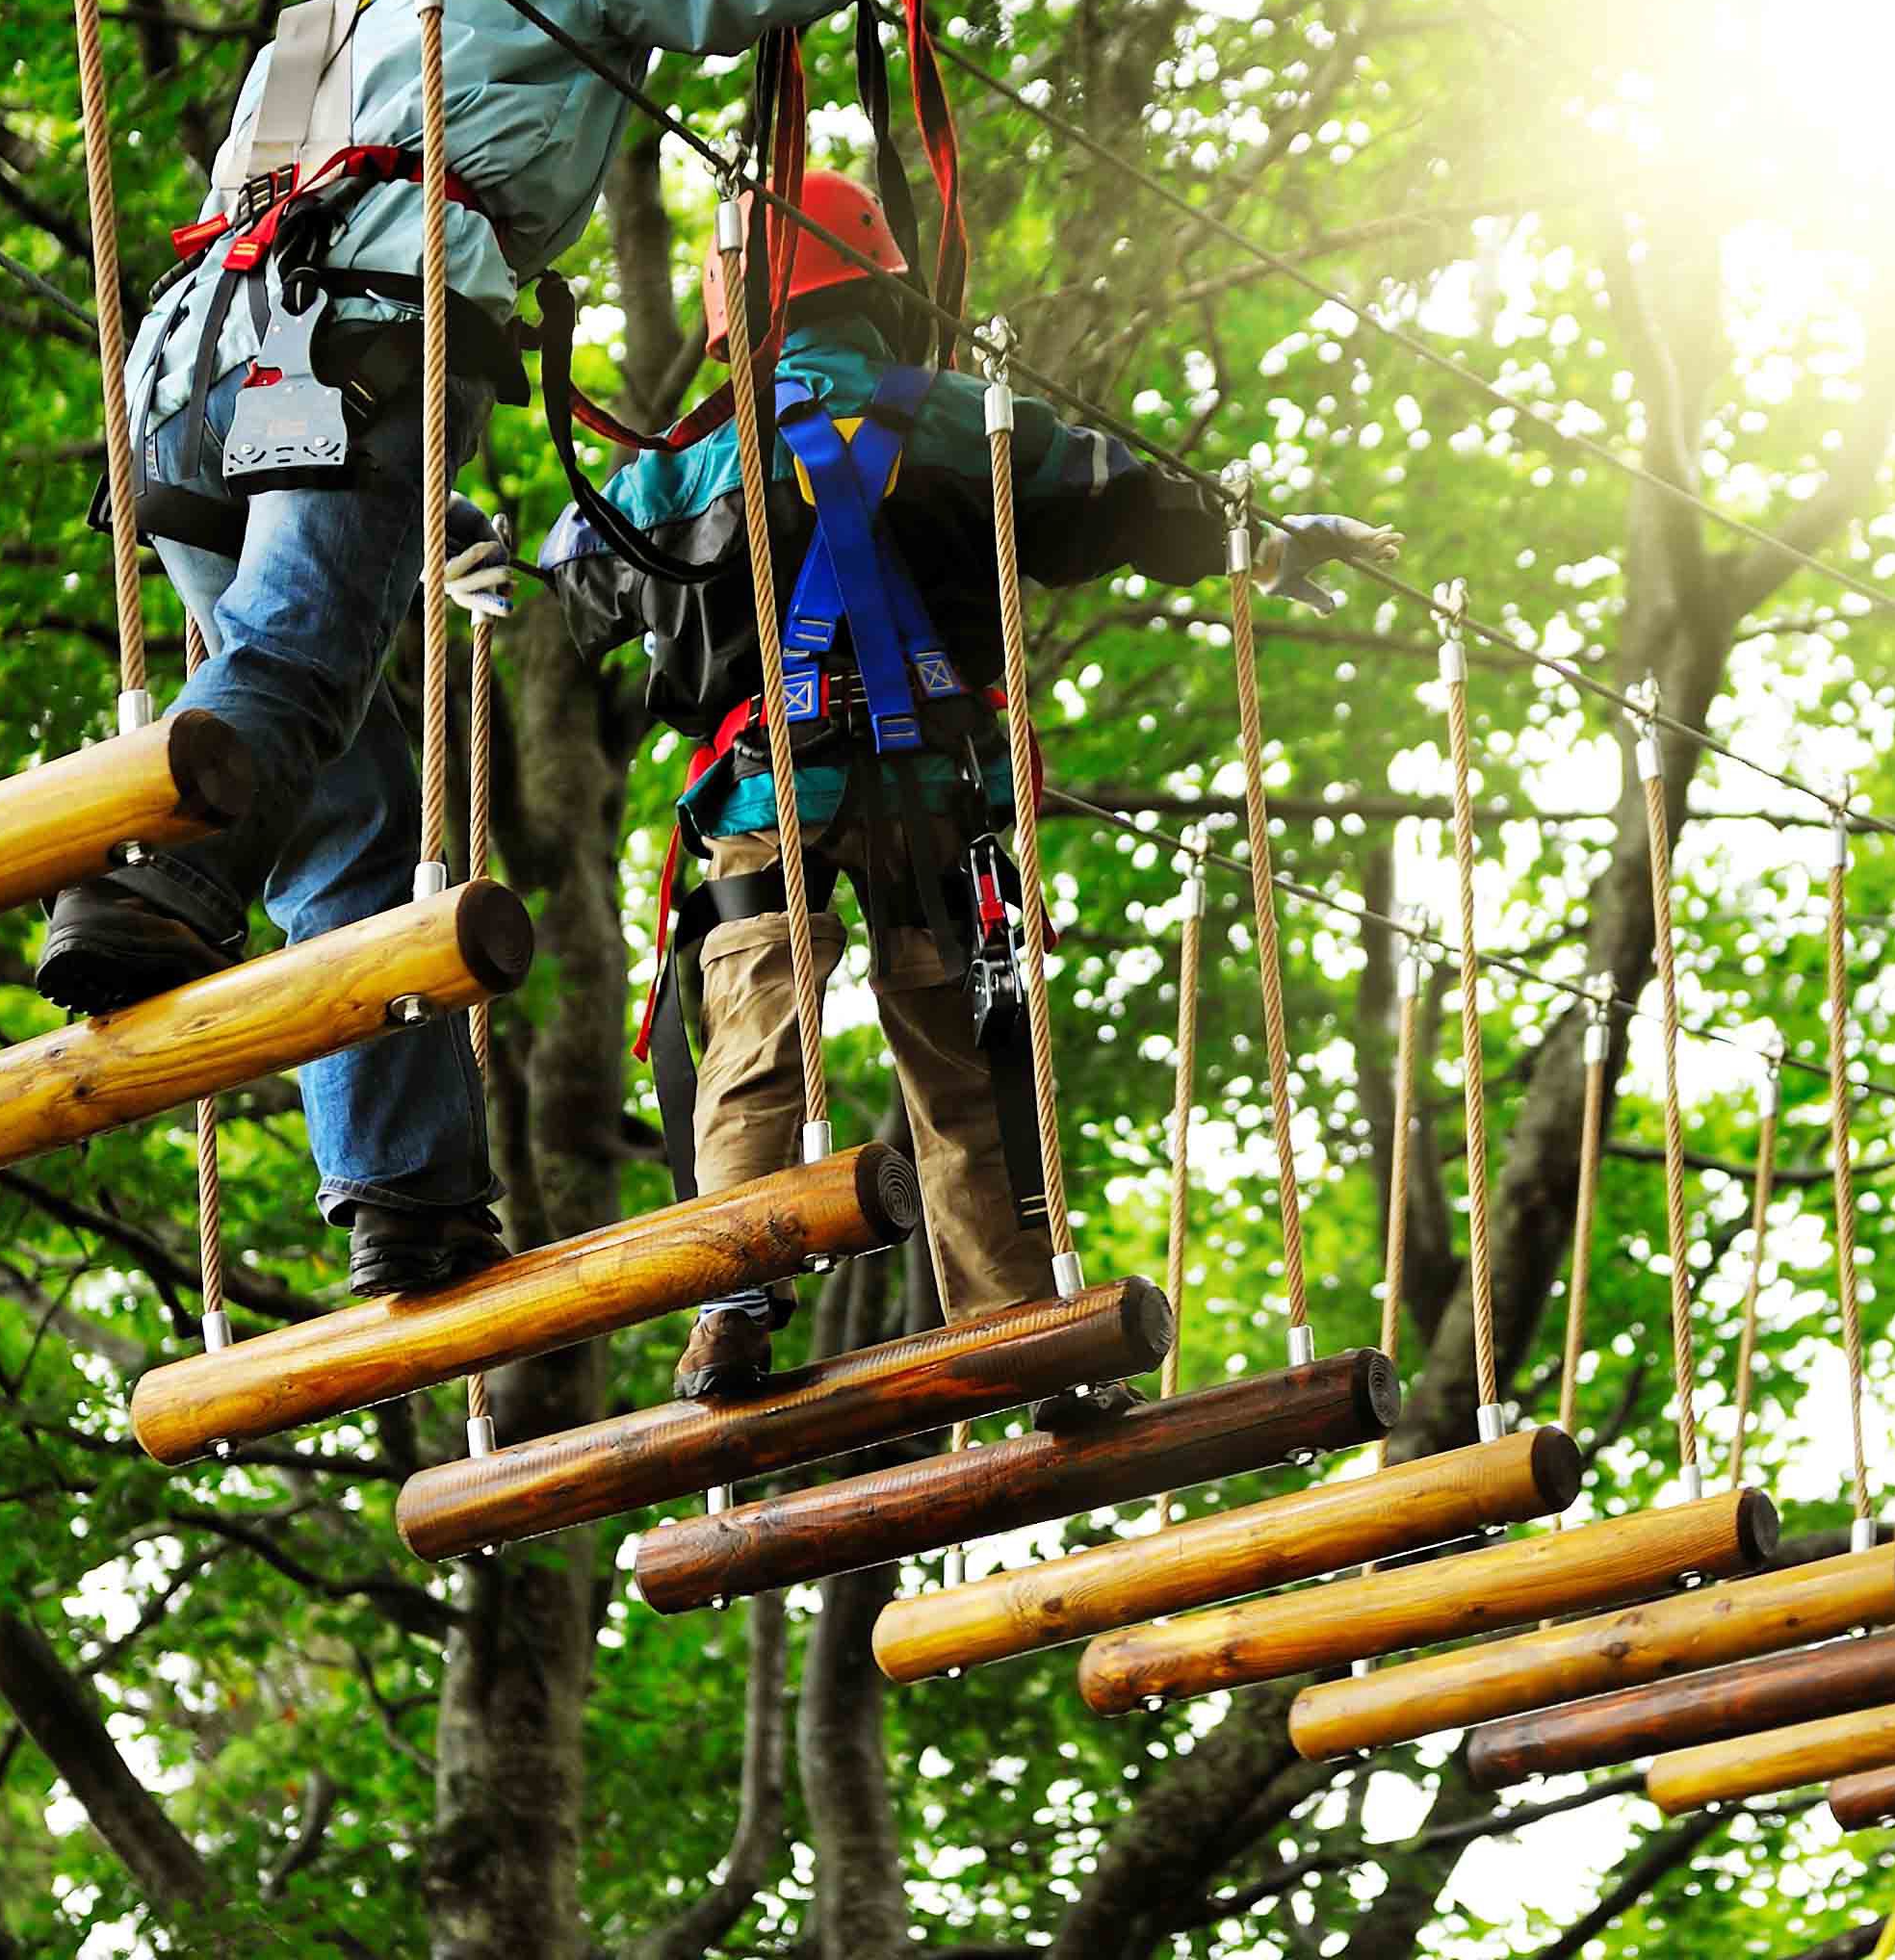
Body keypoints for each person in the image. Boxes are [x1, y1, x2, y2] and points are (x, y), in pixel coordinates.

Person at [33, 0, 885, 1300]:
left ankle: (404, 1190)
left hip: (187, 389)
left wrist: (425, 511)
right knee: (300, 657)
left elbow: (289, 272)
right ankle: (155, 870)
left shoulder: (315, 34)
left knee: (348, 801)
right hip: (361, 335)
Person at [538, 167, 1398, 1413]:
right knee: (969, 1067)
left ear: (738, 323)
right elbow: (1129, 500)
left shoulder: (684, 469)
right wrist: (1259, 541)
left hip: (769, 795)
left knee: (755, 1027)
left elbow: (576, 571)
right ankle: (1018, 1330)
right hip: (936, 792)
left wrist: (472, 554)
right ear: (887, 296)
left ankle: (731, 1304)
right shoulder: (973, 423)